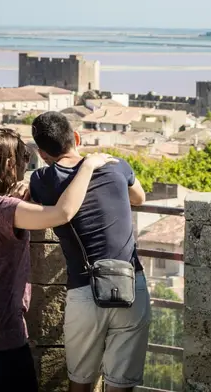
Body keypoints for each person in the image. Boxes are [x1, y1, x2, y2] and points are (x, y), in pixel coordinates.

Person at [0, 127, 116, 392]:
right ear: (9, 164)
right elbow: (63, 213)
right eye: (22, 161)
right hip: (2, 337)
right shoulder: (7, 209)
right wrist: (88, 166)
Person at [30, 112, 150, 392]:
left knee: (80, 385)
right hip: (131, 284)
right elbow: (139, 198)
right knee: (121, 386)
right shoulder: (116, 165)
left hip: (85, 291)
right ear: (76, 138)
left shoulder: (42, 181)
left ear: (42, 153)